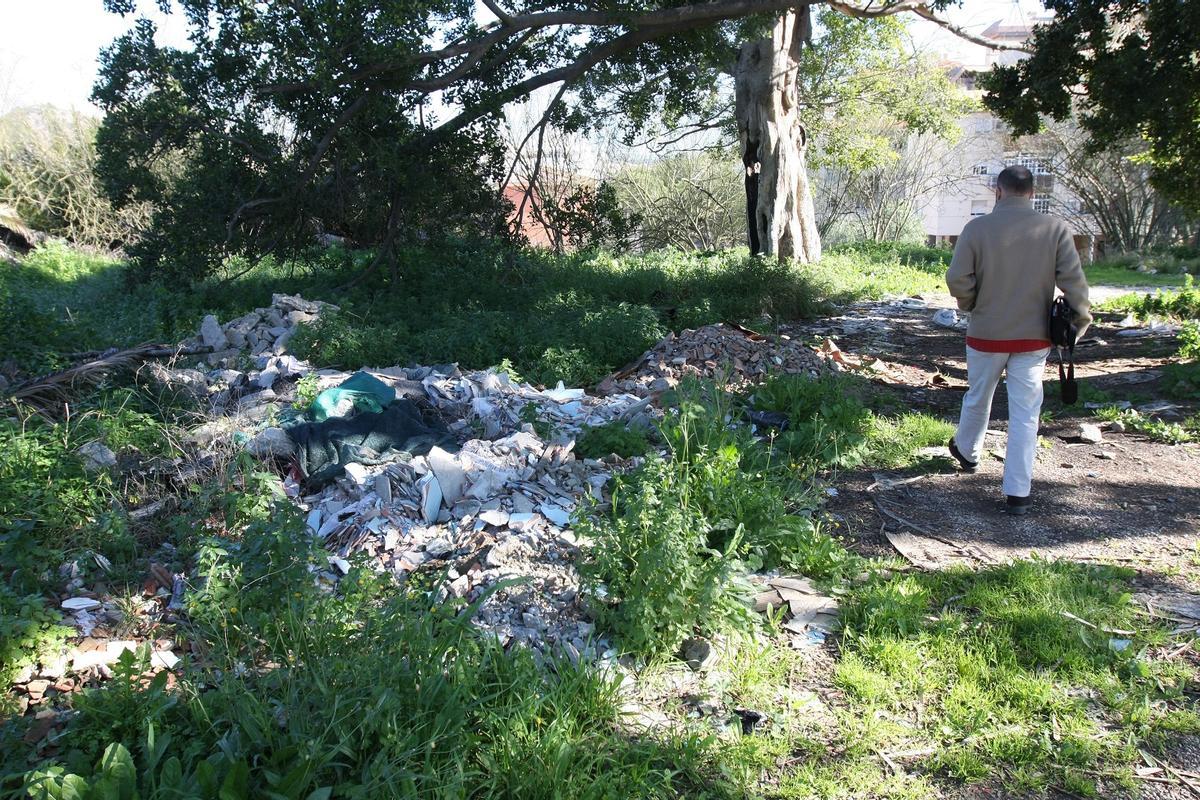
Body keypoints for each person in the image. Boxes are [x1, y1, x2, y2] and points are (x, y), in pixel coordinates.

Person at [944, 165, 1092, 515]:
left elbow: (957, 279)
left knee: (979, 394)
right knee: (1026, 412)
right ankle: (1018, 492)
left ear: (998, 191)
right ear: (1033, 193)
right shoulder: (1054, 229)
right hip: (1034, 336)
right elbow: (1075, 283)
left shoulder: (976, 228)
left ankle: (967, 451)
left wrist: (971, 304)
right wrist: (1079, 323)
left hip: (986, 332)